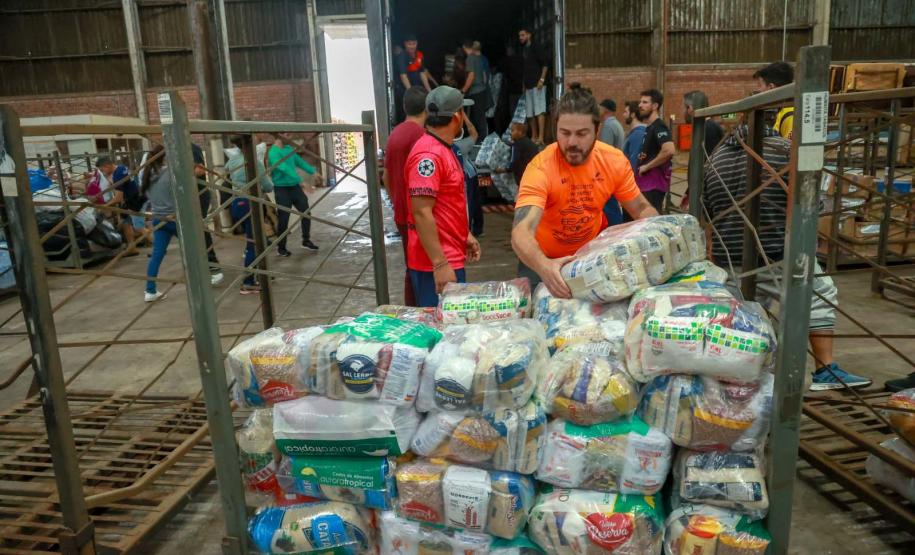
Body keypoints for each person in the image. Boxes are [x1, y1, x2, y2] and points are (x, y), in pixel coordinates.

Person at [702, 120, 871, 391]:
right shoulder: (784, 150)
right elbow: (810, 202)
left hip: (729, 256)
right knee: (819, 295)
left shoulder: (715, 159)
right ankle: (825, 370)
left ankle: (746, 383)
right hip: (777, 253)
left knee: (747, 318)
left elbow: (707, 212)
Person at [511, 87, 659, 297]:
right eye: (565, 133)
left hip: (589, 259)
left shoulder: (613, 161)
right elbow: (521, 231)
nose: (572, 142)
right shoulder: (540, 168)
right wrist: (544, 266)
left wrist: (661, 238)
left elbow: (641, 208)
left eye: (581, 134)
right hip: (540, 259)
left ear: (597, 131)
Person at [405, 86, 481, 307]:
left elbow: (445, 204)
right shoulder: (428, 155)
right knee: (441, 324)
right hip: (436, 265)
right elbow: (421, 211)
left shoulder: (443, 149)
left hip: (448, 257)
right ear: (457, 117)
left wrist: (464, 234)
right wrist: (439, 264)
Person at [383, 86, 428, 306]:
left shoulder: (395, 134)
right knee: (423, 266)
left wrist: (397, 202)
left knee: (411, 265)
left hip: (402, 211)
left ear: (404, 107)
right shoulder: (420, 136)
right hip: (417, 213)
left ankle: (412, 309)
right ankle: (419, 310)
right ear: (427, 109)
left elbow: (386, 177)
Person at [225, 135, 273, 295]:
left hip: (237, 203)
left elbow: (226, 170)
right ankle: (248, 282)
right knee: (254, 244)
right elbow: (268, 186)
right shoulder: (254, 162)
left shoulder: (233, 160)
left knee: (253, 241)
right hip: (251, 204)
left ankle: (260, 273)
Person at [268, 137, 319, 257]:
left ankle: (306, 240)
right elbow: (285, 169)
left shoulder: (288, 149)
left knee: (306, 212)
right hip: (282, 189)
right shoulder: (273, 153)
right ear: (279, 135)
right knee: (284, 218)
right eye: (286, 134)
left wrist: (313, 171)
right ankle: (281, 248)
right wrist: (301, 182)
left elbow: (299, 162)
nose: (289, 136)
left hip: (294, 188)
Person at [142, 145, 174, 303]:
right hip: (175, 217)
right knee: (195, 250)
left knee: (157, 255)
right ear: (164, 157)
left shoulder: (146, 175)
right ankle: (204, 279)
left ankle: (150, 290)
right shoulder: (169, 172)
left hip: (158, 218)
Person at [635, 89, 675, 214]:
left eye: (645, 102)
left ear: (655, 106)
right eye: (640, 102)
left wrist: (647, 166)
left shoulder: (659, 126)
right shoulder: (650, 127)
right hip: (645, 185)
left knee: (649, 221)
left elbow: (669, 150)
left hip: (653, 185)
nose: (640, 105)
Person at [192, 144, 224, 285]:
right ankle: (204, 263)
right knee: (195, 230)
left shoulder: (191, 148)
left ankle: (212, 263)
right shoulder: (176, 147)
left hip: (198, 193)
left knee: (200, 229)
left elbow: (199, 170)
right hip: (191, 193)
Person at [517, 26, 549, 144]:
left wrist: (542, 80)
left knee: (539, 110)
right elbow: (524, 69)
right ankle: (534, 136)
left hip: (537, 84)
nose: (520, 38)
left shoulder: (536, 46)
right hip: (528, 85)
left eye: (523, 35)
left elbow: (545, 64)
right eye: (520, 36)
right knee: (530, 112)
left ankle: (541, 137)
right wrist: (523, 85)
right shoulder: (524, 49)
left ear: (529, 35)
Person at [453, 112, 483, 237]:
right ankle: (477, 228)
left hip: (464, 176)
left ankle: (468, 229)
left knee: (468, 203)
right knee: (474, 202)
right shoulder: (464, 144)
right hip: (471, 174)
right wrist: (464, 115)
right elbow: (474, 133)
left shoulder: (450, 145)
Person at [394, 34, 432, 122]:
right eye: (409, 44)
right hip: (405, 91)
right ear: (405, 44)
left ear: (417, 43)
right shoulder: (402, 57)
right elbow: (403, 76)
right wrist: (411, 92)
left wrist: (429, 90)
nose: (411, 46)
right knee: (406, 114)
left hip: (417, 89)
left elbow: (422, 73)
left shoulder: (419, 55)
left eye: (413, 44)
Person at [753, 61, 794, 139]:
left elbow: (789, 146)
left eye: (759, 85)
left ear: (771, 88)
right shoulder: (781, 110)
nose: (758, 90)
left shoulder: (790, 116)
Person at [460, 39, 489, 140]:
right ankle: (480, 140)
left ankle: (480, 141)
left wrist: (463, 90)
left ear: (464, 47)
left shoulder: (470, 59)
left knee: (477, 118)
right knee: (480, 117)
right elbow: (484, 76)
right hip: (482, 89)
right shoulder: (479, 58)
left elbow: (471, 76)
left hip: (475, 91)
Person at [683, 90, 724, 157]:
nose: (684, 112)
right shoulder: (706, 126)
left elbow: (709, 157)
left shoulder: (708, 128)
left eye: (685, 108)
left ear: (690, 108)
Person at [622, 100, 647, 173]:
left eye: (625, 112)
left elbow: (634, 161)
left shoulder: (637, 134)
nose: (623, 115)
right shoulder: (637, 132)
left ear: (633, 115)